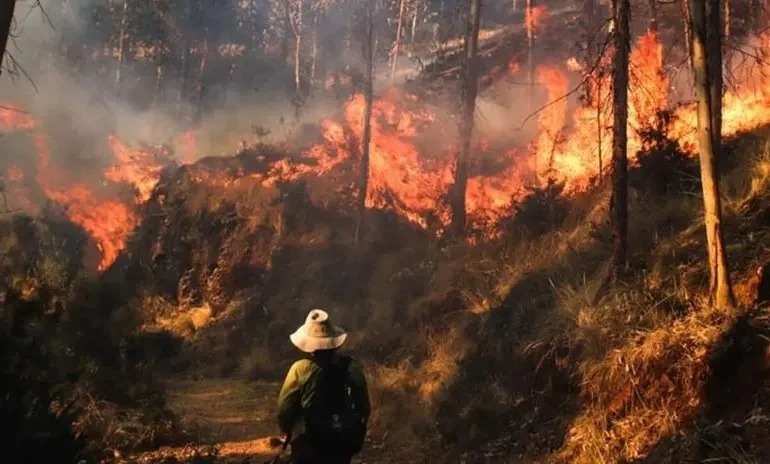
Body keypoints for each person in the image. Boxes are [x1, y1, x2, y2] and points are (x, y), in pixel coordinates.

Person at [277, 309, 370, 464]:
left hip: (307, 442)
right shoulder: (352, 367)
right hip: (341, 440)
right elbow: (364, 407)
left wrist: (287, 431)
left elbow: (284, 409)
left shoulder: (299, 369)